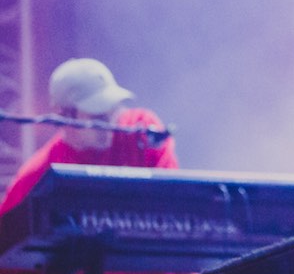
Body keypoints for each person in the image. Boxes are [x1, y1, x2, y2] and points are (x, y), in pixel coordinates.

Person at [0, 57, 178, 218]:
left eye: (113, 110)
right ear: (63, 116)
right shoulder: (40, 173)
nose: (109, 124)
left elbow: (177, 199)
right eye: (98, 115)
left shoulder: (142, 130)